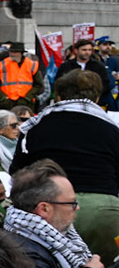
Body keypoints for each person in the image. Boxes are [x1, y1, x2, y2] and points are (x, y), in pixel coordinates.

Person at [15, 69, 119, 258]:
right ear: (96, 98)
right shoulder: (112, 128)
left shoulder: (35, 127)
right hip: (105, 209)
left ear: (59, 96)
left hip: (49, 207)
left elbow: (18, 173)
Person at [3, 160, 109, 268]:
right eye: (72, 203)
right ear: (44, 209)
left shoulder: (53, 234)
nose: (77, 208)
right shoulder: (24, 255)